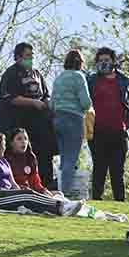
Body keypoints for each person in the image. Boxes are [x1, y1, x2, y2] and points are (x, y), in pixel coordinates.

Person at [0, 131, 80, 221]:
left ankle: (63, 205)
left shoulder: (3, 161)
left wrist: (19, 192)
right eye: (3, 144)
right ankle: (61, 207)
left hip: (5, 194)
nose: (5, 147)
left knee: (26, 194)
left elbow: (13, 183)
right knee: (26, 196)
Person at [0, 42, 57, 189]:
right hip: (16, 122)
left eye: (32, 56)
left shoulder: (37, 74)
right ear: (18, 57)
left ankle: (44, 184)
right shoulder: (10, 74)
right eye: (27, 56)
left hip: (38, 124)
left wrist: (46, 104)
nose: (30, 59)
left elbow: (45, 96)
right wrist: (32, 103)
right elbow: (9, 98)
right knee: (15, 154)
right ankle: (13, 183)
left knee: (42, 152)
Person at [86, 47, 129, 202]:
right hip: (97, 132)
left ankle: (119, 202)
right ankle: (96, 200)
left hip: (119, 132)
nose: (104, 63)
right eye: (100, 60)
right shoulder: (91, 80)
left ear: (113, 62)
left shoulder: (124, 80)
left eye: (107, 60)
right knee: (99, 168)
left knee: (117, 170)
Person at [49, 50, 91, 196]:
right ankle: (64, 194)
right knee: (71, 159)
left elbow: (51, 103)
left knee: (64, 159)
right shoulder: (79, 77)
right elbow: (85, 102)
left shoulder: (59, 78)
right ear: (80, 63)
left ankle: (62, 189)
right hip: (73, 119)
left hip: (58, 119)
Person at [5, 128, 58, 196]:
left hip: (31, 192)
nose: (23, 141)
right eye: (19, 139)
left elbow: (35, 181)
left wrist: (43, 191)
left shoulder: (30, 158)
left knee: (58, 193)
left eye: (25, 139)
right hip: (17, 193)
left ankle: (63, 204)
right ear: (11, 143)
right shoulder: (6, 159)